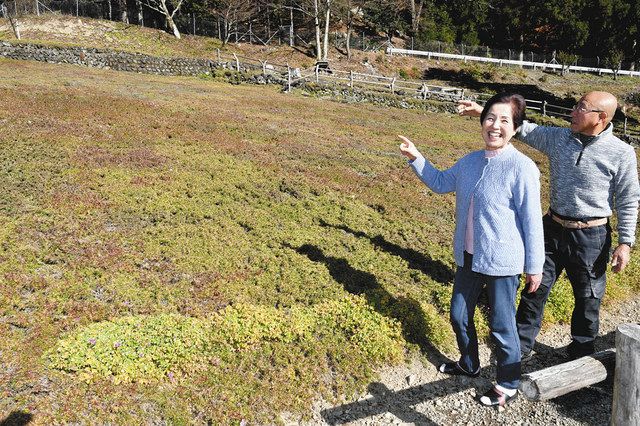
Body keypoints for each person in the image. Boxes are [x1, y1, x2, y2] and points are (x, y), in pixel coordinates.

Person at [458, 91, 640, 360]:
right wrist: (484, 113)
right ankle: (519, 347)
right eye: (575, 105)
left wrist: (625, 242)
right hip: (552, 227)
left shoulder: (621, 153)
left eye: (581, 108)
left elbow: (628, 198)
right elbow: (524, 130)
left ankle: (581, 355)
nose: (572, 112)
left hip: (592, 235)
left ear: (601, 118)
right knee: (535, 288)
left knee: (589, 297)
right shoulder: (560, 138)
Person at [399, 93, 544, 407]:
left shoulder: (522, 168)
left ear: (516, 128)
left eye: (505, 120)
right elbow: (439, 182)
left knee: (502, 326)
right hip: (468, 256)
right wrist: (416, 157)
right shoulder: (470, 161)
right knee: (458, 314)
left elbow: (533, 221)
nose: (495, 125)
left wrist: (535, 265)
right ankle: (469, 363)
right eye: (490, 117)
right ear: (482, 122)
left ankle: (507, 383)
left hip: (503, 262)